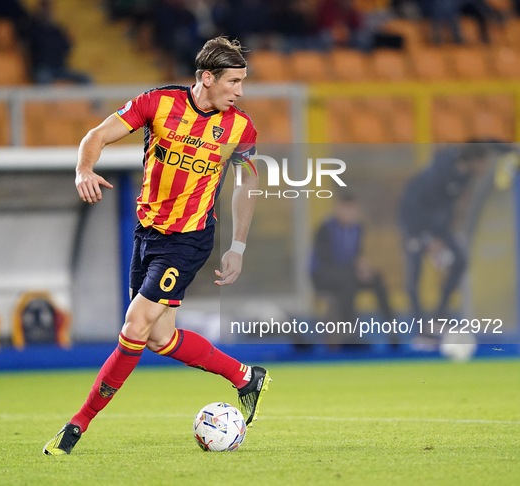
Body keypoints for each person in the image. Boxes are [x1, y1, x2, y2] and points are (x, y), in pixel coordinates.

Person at [43, 36, 271, 455]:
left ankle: (78, 424)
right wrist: (83, 169)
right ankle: (244, 376)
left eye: (242, 82)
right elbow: (97, 134)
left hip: (189, 239)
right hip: (148, 233)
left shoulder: (240, 127)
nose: (240, 92)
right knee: (159, 338)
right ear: (207, 77)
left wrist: (237, 245)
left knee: (134, 326)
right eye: (234, 82)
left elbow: (247, 184)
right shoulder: (157, 103)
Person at [399, 143, 490, 338]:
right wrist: (428, 239)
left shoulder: (464, 175)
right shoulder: (439, 173)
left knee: (460, 261)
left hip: (439, 228)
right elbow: (414, 204)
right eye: (483, 163)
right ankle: (419, 328)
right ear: (474, 161)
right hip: (415, 225)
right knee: (415, 274)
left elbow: (447, 206)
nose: (485, 168)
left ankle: (439, 316)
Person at [310, 193, 395, 347]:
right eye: (346, 209)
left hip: (348, 273)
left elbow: (356, 253)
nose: (350, 214)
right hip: (323, 275)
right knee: (348, 279)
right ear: (338, 209)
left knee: (376, 279)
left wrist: (363, 267)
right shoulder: (325, 228)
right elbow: (326, 258)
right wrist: (354, 267)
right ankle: (349, 335)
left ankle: (392, 330)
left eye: (353, 210)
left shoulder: (359, 228)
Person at [28, 0, 91, 84]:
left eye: (49, 8)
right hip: (42, 68)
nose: (47, 11)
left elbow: (67, 46)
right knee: (43, 77)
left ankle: (97, 97)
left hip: (59, 68)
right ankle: (48, 97)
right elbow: (32, 46)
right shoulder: (32, 27)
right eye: (44, 8)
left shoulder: (57, 29)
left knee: (85, 77)